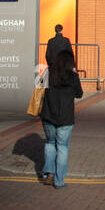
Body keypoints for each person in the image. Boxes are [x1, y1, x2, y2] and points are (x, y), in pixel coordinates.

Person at [39, 48, 83, 188]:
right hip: (65, 117)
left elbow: (39, 87)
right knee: (62, 147)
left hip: (48, 115)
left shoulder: (48, 73)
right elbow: (79, 94)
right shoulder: (72, 77)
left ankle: (48, 174)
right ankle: (59, 180)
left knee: (50, 143)